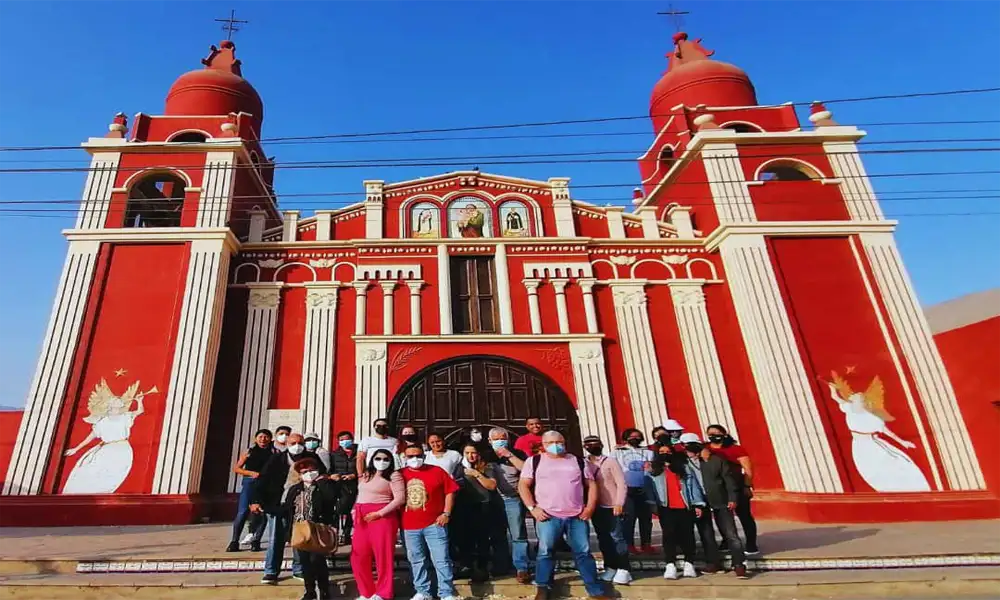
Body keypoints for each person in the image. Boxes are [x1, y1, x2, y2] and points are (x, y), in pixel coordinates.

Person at [518, 431, 607, 600]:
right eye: (551, 442)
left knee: (583, 552)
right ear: (543, 444)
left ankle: (595, 591)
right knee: (545, 552)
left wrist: (589, 507)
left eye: (559, 442)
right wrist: (532, 508)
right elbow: (523, 485)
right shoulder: (534, 461)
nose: (556, 445)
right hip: (547, 515)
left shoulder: (578, 461)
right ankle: (543, 587)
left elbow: (591, 484)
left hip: (576, 516)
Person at [250, 433, 327, 584]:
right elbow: (262, 480)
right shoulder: (276, 459)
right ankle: (271, 571)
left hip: (302, 505)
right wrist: (255, 501)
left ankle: (298, 569)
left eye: (300, 443)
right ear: (287, 444)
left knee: (299, 538)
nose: (297, 446)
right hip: (278, 504)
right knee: (275, 539)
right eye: (293, 443)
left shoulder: (311, 458)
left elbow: (322, 474)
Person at [679, 433, 748, 579]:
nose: (687, 449)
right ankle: (713, 562)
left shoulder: (715, 460)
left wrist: (732, 498)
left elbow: (728, 480)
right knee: (706, 535)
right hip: (700, 502)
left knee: (730, 533)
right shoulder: (685, 462)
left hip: (721, 500)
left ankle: (739, 564)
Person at [401, 445, 462, 600]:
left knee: (441, 559)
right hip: (409, 525)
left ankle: (446, 592)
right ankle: (423, 591)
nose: (415, 459)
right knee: (416, 560)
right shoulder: (399, 475)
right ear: (404, 457)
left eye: (418, 455)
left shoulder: (437, 471)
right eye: (410, 456)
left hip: (435, 524)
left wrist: (446, 513)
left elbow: (450, 491)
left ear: (424, 455)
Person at [352, 448, 405, 600]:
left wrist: (380, 513)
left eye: (385, 459)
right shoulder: (366, 475)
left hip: (382, 517)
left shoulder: (394, 475)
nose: (381, 462)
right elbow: (360, 494)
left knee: (383, 556)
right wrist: (354, 510)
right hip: (361, 516)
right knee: (358, 556)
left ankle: (384, 592)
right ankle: (366, 592)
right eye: (378, 458)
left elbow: (400, 499)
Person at [283, 457, 338, 600]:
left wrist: (322, 482)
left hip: (317, 528)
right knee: (304, 562)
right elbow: (288, 510)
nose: (308, 473)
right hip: (299, 529)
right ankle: (310, 590)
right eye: (304, 472)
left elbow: (331, 501)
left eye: (311, 470)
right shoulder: (295, 489)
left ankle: (324, 591)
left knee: (318, 561)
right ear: (300, 475)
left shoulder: (323, 487)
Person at [643, 443, 701, 580]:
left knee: (687, 535)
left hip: (685, 506)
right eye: (662, 451)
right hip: (665, 507)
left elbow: (693, 485)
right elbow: (648, 489)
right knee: (669, 536)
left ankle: (689, 563)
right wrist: (652, 504)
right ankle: (670, 564)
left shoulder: (683, 467)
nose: (665, 454)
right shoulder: (653, 469)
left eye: (668, 451)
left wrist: (698, 503)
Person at [583, 435, 631, 585]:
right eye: (589, 444)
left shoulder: (610, 461)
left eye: (596, 443)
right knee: (603, 538)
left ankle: (624, 568)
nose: (593, 446)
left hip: (612, 506)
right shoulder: (584, 463)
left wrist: (619, 503)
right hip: (596, 506)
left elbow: (621, 483)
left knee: (617, 537)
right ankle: (610, 566)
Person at [706, 424, 759, 555]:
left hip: (737, 486)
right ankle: (726, 541)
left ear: (724, 434)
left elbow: (747, 469)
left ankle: (751, 544)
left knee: (744, 515)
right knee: (721, 517)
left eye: (716, 433)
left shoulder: (735, 449)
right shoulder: (706, 449)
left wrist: (747, 486)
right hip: (718, 489)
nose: (713, 436)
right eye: (710, 434)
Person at [487, 427, 530, 583]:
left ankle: (522, 568)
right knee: (497, 535)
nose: (500, 441)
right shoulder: (486, 455)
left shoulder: (517, 453)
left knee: (518, 534)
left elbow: (527, 470)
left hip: (513, 499)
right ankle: (501, 565)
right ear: (490, 441)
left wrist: (509, 455)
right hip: (493, 501)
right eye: (496, 439)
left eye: (503, 438)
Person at [454, 443, 499, 582]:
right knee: (465, 539)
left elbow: (491, 485)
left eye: (473, 453)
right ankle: (466, 566)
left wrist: (476, 474)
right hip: (464, 506)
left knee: (482, 539)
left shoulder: (487, 467)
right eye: (467, 453)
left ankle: (482, 568)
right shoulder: (459, 467)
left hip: (483, 506)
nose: (470, 456)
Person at [227, 428, 275, 552]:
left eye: (266, 437)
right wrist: (251, 473)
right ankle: (234, 541)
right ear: (256, 439)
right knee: (242, 512)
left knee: (262, 513)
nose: (263, 439)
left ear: (270, 439)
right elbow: (237, 468)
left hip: (266, 485)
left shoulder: (274, 452)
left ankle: (256, 540)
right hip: (250, 483)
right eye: (260, 437)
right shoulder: (249, 452)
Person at [613, 428, 654, 555]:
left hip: (645, 488)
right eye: (632, 436)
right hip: (627, 489)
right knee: (628, 518)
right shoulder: (617, 452)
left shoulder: (648, 452)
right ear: (626, 438)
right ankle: (629, 544)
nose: (635, 438)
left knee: (646, 518)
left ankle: (646, 544)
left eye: (637, 436)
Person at [330, 431, 359, 545]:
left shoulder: (359, 452)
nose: (344, 442)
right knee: (337, 510)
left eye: (347, 439)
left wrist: (354, 475)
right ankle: (336, 534)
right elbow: (330, 469)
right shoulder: (334, 454)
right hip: (339, 485)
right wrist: (333, 476)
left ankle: (347, 534)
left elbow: (364, 467)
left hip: (354, 484)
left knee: (351, 510)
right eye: (341, 440)